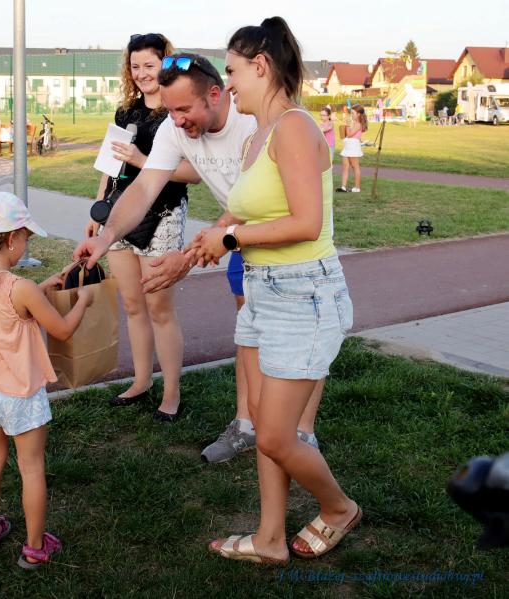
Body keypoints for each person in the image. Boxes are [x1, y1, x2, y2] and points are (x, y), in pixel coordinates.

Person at [73, 52, 324, 459]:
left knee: (299, 345)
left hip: (286, 243)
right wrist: (105, 238)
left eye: (184, 109)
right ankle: (246, 424)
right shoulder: (173, 128)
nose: (176, 121)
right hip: (244, 240)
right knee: (249, 333)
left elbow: (251, 203)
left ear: (215, 94)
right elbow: (144, 188)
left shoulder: (252, 124)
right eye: (170, 110)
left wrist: (188, 257)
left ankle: (302, 435)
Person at [185, 16, 359, 565]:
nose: (228, 83)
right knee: (265, 425)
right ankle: (270, 539)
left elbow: (307, 222)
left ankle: (338, 508)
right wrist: (205, 241)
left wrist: (231, 238)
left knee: (276, 437)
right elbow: (247, 211)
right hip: (264, 291)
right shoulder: (258, 135)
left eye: (233, 70)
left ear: (261, 66)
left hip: (303, 294)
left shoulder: (295, 128)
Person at [0, 191, 94, 569]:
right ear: (10, 240)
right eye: (25, 237)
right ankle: (35, 547)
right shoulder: (21, 288)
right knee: (31, 468)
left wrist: (43, 288)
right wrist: (83, 302)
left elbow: (12, 304)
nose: (26, 244)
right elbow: (63, 330)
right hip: (20, 393)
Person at [84, 33, 200, 420]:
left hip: (163, 215)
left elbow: (193, 173)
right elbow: (109, 166)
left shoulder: (177, 112)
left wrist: (140, 159)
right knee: (133, 305)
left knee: (158, 308)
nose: (142, 73)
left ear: (165, 63)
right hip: (119, 215)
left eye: (149, 65)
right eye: (135, 66)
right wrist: (97, 213)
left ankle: (172, 392)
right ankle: (140, 381)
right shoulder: (125, 112)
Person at [336, 105, 367, 193]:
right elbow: (345, 135)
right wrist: (346, 126)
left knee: (355, 166)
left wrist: (347, 126)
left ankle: (357, 187)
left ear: (358, 114)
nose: (351, 115)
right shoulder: (353, 123)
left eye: (353, 113)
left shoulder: (358, 124)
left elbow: (349, 135)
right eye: (351, 113)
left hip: (353, 146)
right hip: (347, 146)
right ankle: (343, 187)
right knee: (345, 167)